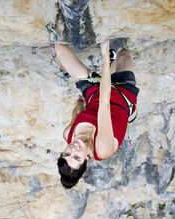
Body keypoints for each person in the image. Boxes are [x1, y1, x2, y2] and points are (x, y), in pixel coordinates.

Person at [54, 40, 139, 188]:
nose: (72, 150)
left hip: (94, 93)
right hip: (122, 93)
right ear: (86, 160)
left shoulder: (68, 134)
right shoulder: (102, 149)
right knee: (123, 54)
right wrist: (105, 57)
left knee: (58, 49)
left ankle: (108, 72)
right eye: (76, 157)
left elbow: (78, 112)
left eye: (66, 154)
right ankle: (112, 63)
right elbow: (104, 103)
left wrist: (80, 100)